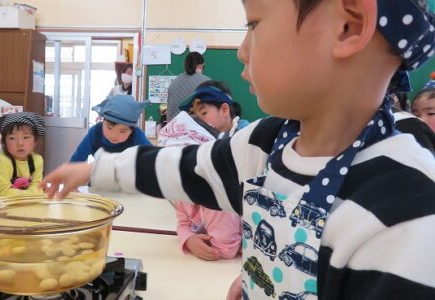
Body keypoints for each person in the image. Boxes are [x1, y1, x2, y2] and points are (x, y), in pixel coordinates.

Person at [41, 1, 435, 299]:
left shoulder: (406, 207)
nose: (242, 51)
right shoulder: (268, 141)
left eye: (253, 24)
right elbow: (185, 167)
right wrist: (96, 170)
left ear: (349, 26)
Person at [157, 111, 242, 261]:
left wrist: (198, 244)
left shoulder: (218, 199)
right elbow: (183, 223)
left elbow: (225, 250)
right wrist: (189, 239)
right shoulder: (181, 193)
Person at [70, 95, 151, 162]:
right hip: (98, 178)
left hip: (127, 180)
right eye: (109, 128)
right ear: (102, 121)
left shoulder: (137, 136)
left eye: (122, 131)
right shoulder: (95, 132)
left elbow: (152, 158)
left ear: (132, 130)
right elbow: (77, 159)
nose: (114, 135)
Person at [0, 112, 45, 196]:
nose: (20, 143)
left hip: (27, 203)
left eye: (26, 137)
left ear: (35, 141)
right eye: (12, 138)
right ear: (4, 142)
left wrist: (33, 193)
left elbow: (37, 186)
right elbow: (3, 193)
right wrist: (32, 194)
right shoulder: (0, 162)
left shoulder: (37, 160)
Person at [179, 81, 250, 137]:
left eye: (204, 113)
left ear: (224, 110)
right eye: (195, 116)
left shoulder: (247, 136)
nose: (198, 121)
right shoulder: (201, 139)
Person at [166, 52, 210, 121]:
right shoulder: (206, 82)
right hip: (196, 128)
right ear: (201, 66)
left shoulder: (174, 83)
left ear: (184, 65)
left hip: (174, 128)